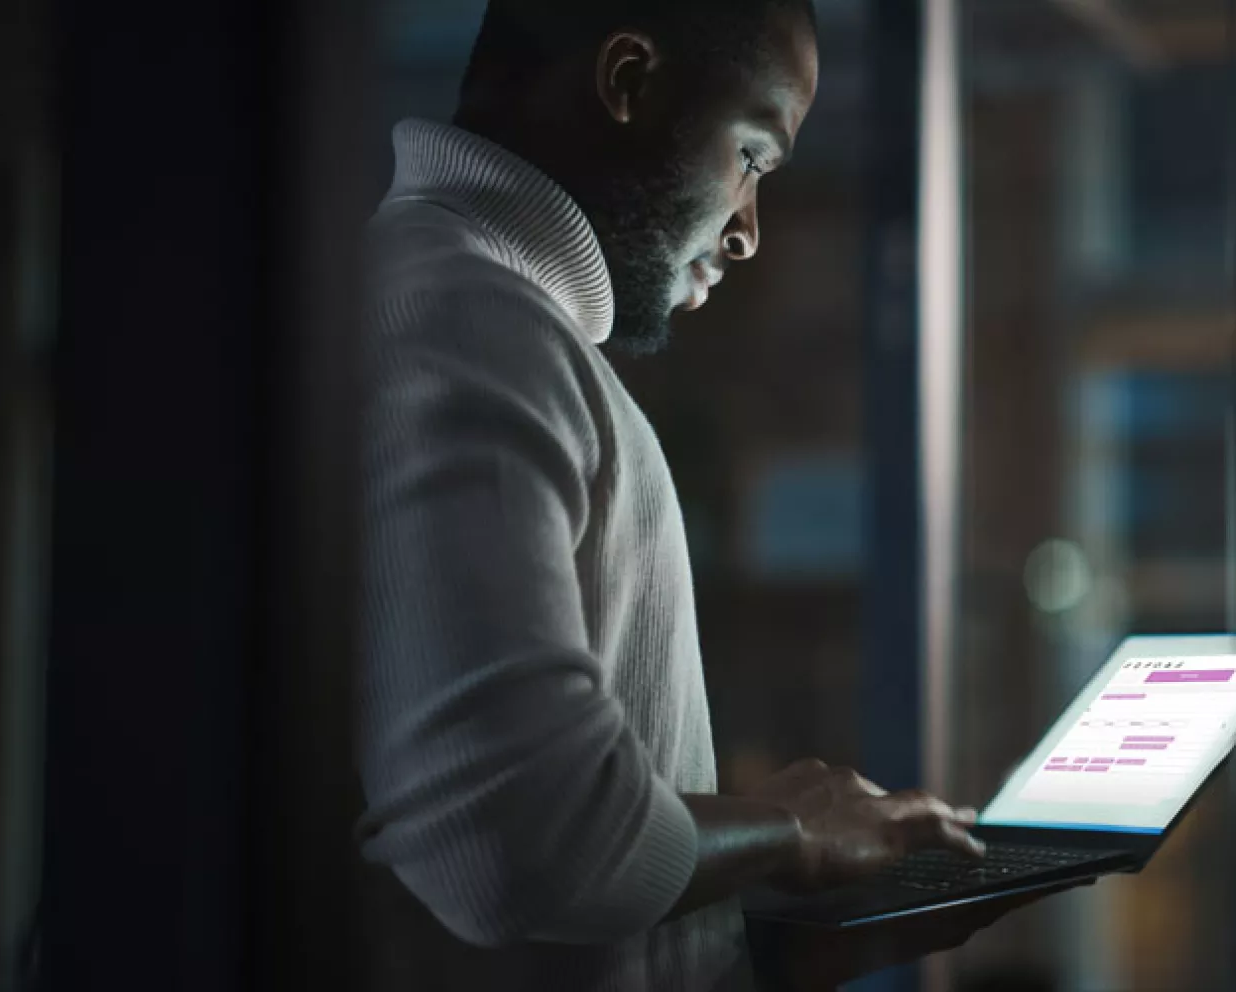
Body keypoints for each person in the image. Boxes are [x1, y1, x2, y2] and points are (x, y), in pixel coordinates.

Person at [355, 2, 1006, 989]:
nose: (747, 231)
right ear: (626, 82)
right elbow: (517, 841)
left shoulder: (485, 316)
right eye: (751, 155)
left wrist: (760, 933)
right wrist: (792, 825)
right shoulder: (471, 320)